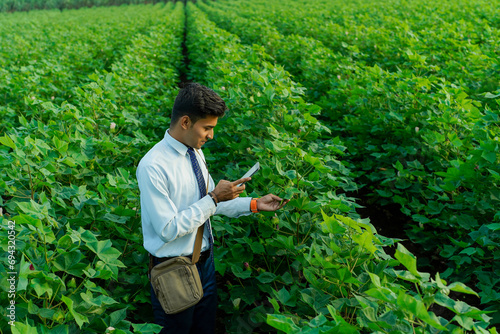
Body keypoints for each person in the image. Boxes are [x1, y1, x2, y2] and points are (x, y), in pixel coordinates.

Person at [136, 83, 288, 333]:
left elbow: (208, 206)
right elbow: (168, 228)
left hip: (205, 263)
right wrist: (214, 198)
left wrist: (253, 204)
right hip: (172, 269)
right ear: (185, 122)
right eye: (207, 128)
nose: (211, 135)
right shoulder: (154, 166)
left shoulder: (195, 152)